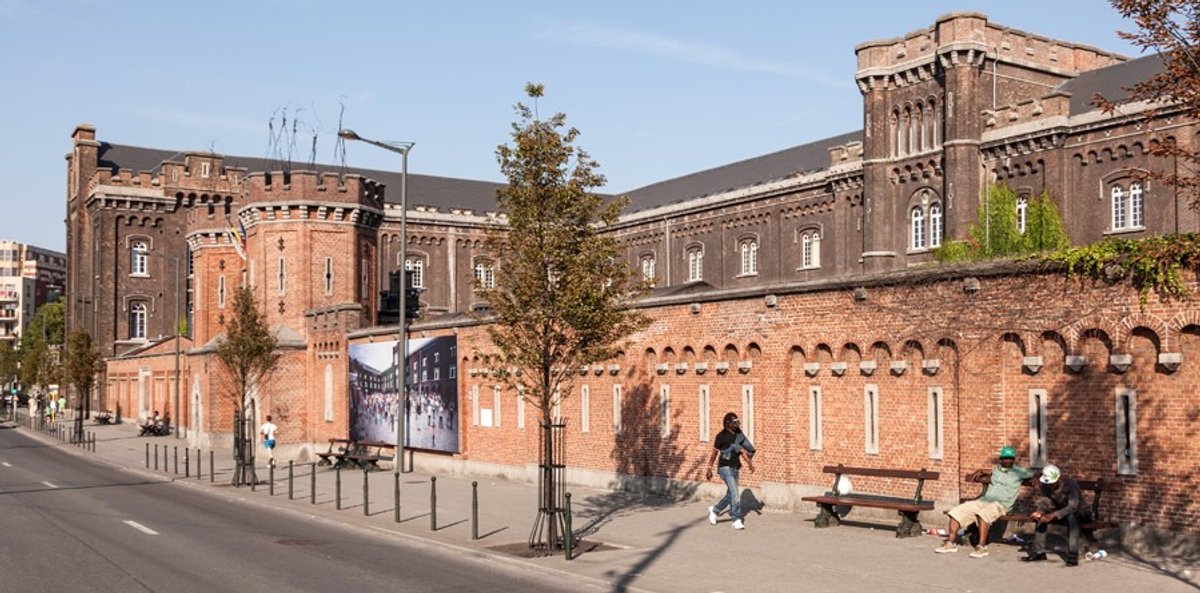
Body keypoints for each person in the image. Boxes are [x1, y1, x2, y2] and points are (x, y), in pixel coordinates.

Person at [935, 445, 1034, 558]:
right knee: (956, 511)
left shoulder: (1019, 471)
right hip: (983, 501)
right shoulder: (997, 469)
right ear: (1000, 459)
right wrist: (980, 471)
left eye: (1010, 458)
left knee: (983, 513)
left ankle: (981, 547)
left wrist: (1035, 478)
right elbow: (989, 471)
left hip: (1001, 504)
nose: (1008, 461)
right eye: (1005, 458)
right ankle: (950, 543)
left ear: (1014, 459)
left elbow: (1035, 474)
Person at [1023, 464, 1087, 566]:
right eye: (1047, 484)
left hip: (1079, 512)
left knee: (1072, 518)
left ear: (1058, 479)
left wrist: (1053, 515)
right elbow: (1046, 500)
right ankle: (1039, 552)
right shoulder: (1045, 485)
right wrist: (1040, 511)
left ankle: (1073, 555)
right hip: (1060, 511)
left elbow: (1073, 506)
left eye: (1051, 484)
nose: (1049, 486)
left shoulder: (1070, 484)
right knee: (1041, 518)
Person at [705, 412, 756, 530]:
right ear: (728, 424)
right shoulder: (721, 436)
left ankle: (715, 510)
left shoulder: (738, 434)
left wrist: (749, 463)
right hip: (724, 468)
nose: (737, 424)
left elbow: (742, 450)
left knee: (731, 494)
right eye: (734, 422)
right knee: (735, 494)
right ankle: (736, 519)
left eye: (737, 421)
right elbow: (714, 453)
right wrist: (709, 468)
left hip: (735, 467)